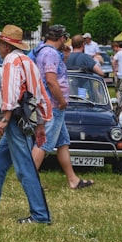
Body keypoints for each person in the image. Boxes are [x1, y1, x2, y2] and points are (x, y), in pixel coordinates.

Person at [0, 24, 52, 224]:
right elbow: (39, 93)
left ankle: (40, 215)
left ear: (6, 46)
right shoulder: (28, 61)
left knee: (25, 167)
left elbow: (11, 93)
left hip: (15, 118)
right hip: (26, 116)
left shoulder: (10, 61)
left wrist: (4, 119)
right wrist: (41, 123)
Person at [31, 25, 95, 190]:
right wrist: (62, 100)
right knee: (43, 144)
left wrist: (65, 57)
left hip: (50, 104)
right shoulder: (51, 53)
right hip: (53, 105)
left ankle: (73, 179)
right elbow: (51, 80)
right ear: (61, 38)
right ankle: (31, 182)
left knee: (63, 143)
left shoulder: (43, 51)